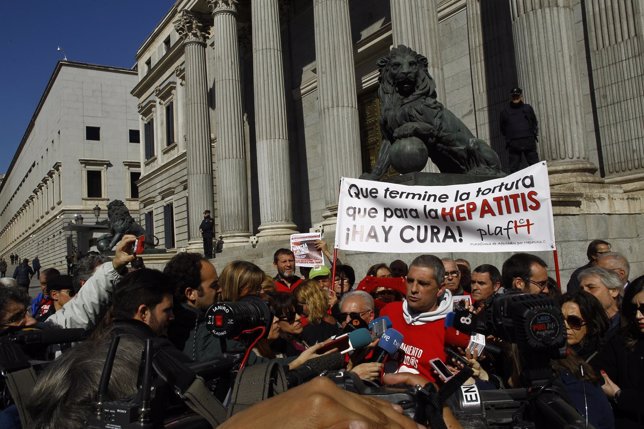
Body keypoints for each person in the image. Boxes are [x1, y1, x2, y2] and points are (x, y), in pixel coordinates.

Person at [380, 255, 468, 382]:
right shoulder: (389, 311)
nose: (413, 289)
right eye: (410, 281)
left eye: (423, 284)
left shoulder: (452, 327)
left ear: (440, 289)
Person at [592, 275, 644, 428]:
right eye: (634, 308)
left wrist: (619, 395)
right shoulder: (621, 342)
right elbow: (599, 377)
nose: (638, 316)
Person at [163, 252, 220, 356]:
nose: (220, 289)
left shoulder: (165, 326)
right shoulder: (209, 334)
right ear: (191, 293)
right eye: (214, 285)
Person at [500, 86, 539, 173]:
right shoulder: (506, 111)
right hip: (520, 141)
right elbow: (502, 128)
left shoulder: (526, 108)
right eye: (515, 96)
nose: (516, 98)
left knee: (531, 166)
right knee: (519, 167)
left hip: (523, 141)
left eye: (516, 96)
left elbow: (534, 122)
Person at [578, 266, 623, 340]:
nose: (584, 293)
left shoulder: (630, 323)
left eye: (591, 287)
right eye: (581, 289)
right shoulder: (581, 325)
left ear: (614, 291)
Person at [295, 279, 340, 345]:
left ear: (311, 303)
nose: (299, 308)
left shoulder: (310, 330)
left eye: (301, 304)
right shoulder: (337, 317)